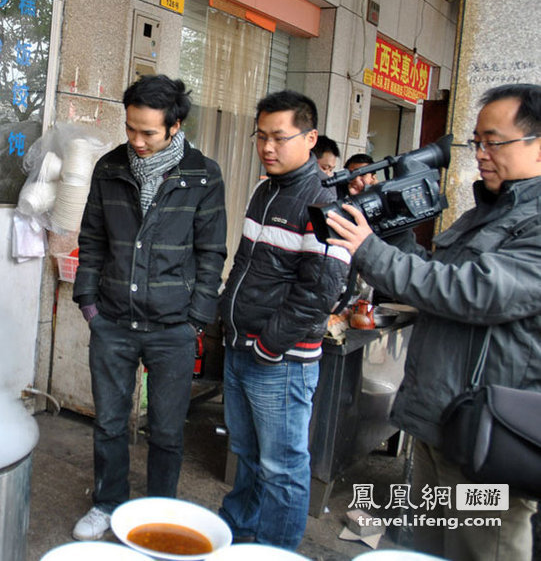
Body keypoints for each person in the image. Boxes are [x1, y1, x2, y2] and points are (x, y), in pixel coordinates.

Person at [326, 83, 541, 561]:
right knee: (423, 549)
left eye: (494, 141)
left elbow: (474, 292)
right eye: (477, 142)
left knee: (480, 550)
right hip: (438, 420)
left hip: (490, 437)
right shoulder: (489, 212)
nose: (480, 154)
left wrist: (370, 250)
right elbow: (429, 277)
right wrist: (385, 221)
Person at [71, 75, 227, 540]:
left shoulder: (203, 175)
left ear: (175, 126)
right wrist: (89, 303)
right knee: (111, 423)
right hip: (113, 320)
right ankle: (107, 502)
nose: (136, 141)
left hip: (173, 326)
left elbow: (211, 251)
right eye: (130, 129)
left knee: (166, 429)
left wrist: (197, 316)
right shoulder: (108, 168)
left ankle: (160, 511)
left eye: (149, 133)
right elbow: (92, 239)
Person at [217, 90, 350, 550]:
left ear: (310, 138)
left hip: (281, 360)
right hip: (241, 346)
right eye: (261, 136)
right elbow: (244, 262)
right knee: (247, 456)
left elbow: (319, 292)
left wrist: (269, 345)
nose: (267, 147)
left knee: (283, 467)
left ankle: (275, 552)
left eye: (279, 137)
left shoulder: (325, 202)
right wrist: (227, 319)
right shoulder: (264, 189)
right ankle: (238, 536)